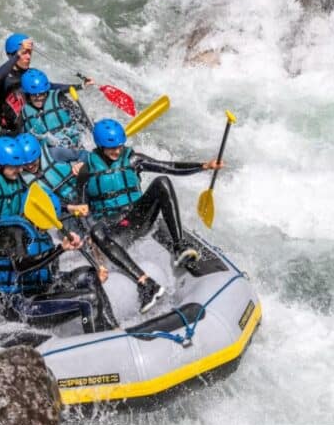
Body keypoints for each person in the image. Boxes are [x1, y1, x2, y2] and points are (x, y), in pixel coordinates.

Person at [76, 119, 224, 313]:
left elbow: (168, 167)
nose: (117, 151)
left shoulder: (133, 159)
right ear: (100, 146)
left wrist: (203, 166)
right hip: (115, 230)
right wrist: (87, 236)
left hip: (137, 218)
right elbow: (81, 209)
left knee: (162, 181)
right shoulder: (86, 171)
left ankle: (179, 246)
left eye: (120, 146)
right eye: (112, 148)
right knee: (95, 230)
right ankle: (146, 284)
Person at [0, 196, 116, 334]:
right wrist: (60, 249)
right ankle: (100, 341)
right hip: (20, 307)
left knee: (87, 274)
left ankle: (114, 328)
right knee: (89, 299)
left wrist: (93, 277)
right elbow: (22, 266)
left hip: (41, 293)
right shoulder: (12, 230)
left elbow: (50, 275)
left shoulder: (39, 234)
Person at [0, 33, 92, 135]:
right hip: (11, 133)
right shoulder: (3, 79)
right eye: (24, 53)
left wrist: (80, 86)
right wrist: (19, 53)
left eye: (29, 53)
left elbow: (51, 87)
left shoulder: (31, 75)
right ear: (12, 55)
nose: (28, 57)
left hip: (30, 127)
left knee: (59, 98)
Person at [18, 68, 92, 155]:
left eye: (42, 93)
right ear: (27, 94)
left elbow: (81, 117)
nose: (39, 97)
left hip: (75, 148)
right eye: (34, 95)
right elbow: (23, 139)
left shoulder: (59, 99)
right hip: (51, 157)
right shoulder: (24, 113)